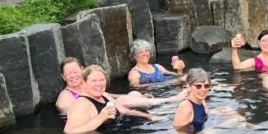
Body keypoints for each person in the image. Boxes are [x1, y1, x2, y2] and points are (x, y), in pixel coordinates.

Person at [56, 57, 186, 114]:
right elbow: (74, 115)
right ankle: (170, 100)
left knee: (134, 94)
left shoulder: (87, 87)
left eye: (75, 72)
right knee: (124, 99)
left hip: (111, 111)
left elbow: (107, 95)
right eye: (69, 74)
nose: (73, 76)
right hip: (100, 120)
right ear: (63, 77)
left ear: (82, 70)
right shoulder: (65, 96)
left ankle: (159, 110)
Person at [64, 65, 155, 134]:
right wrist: (100, 118)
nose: (99, 84)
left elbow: (127, 111)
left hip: (121, 133)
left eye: (102, 80)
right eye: (94, 81)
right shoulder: (82, 104)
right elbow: (70, 131)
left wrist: (150, 116)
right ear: (84, 83)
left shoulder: (104, 96)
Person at [172, 68, 211, 134]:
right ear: (189, 87)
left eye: (206, 86)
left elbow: (205, 115)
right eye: (198, 86)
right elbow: (175, 131)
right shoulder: (186, 107)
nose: (203, 89)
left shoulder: (202, 100)